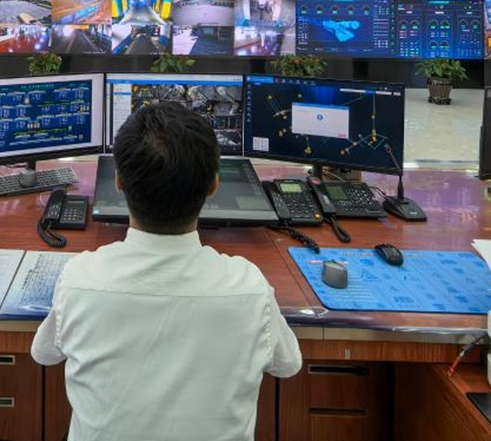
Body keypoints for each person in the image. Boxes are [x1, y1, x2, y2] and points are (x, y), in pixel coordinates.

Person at [32, 102, 301, 441]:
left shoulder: (80, 279)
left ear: (118, 181)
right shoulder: (250, 288)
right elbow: (287, 365)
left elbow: (44, 354)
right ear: (213, 186)